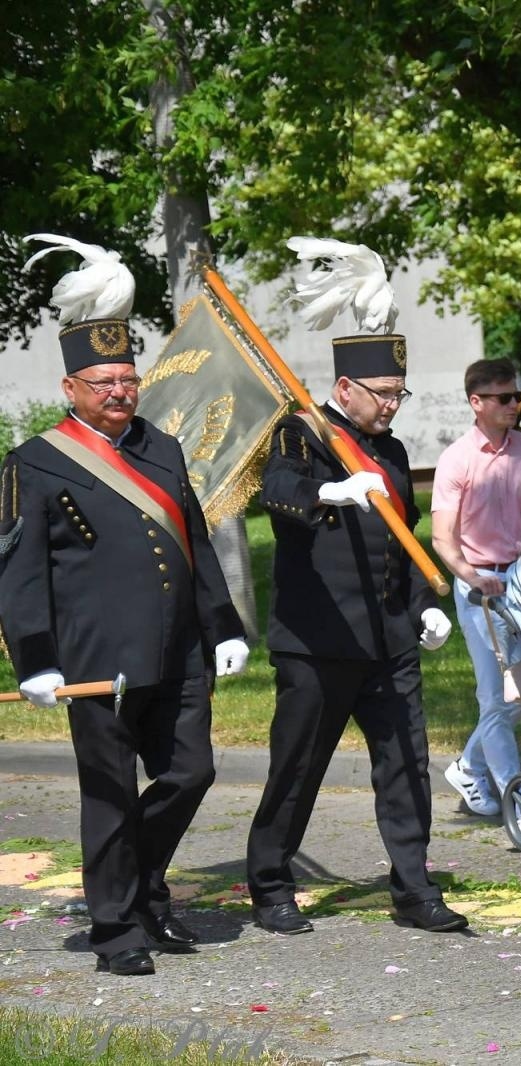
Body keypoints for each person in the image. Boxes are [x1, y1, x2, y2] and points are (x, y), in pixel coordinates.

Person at [0, 236, 249, 976]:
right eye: (103, 382)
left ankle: (137, 886)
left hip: (176, 652)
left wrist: (224, 627)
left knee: (191, 773)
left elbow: (194, 542)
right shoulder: (35, 463)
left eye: (128, 379)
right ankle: (117, 929)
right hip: (94, 661)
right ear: (70, 387)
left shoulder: (161, 449)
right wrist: (35, 658)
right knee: (109, 796)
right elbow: (19, 572)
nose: (120, 392)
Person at [245, 239, 464, 937]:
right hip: (319, 639)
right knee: (298, 767)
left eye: (400, 393)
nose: (393, 406)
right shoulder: (302, 434)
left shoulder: (392, 450)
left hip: (388, 636)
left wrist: (424, 606)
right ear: (345, 390)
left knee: (406, 765)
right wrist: (329, 491)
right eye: (383, 394)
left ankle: (413, 887)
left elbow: (404, 541)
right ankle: (270, 882)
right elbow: (275, 491)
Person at [432, 358, 521, 817]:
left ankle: (469, 765)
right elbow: (442, 538)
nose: (513, 404)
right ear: (476, 402)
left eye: (516, 396)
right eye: (503, 397)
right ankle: (519, 799)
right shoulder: (456, 459)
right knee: (494, 696)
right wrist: (471, 577)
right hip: (478, 583)